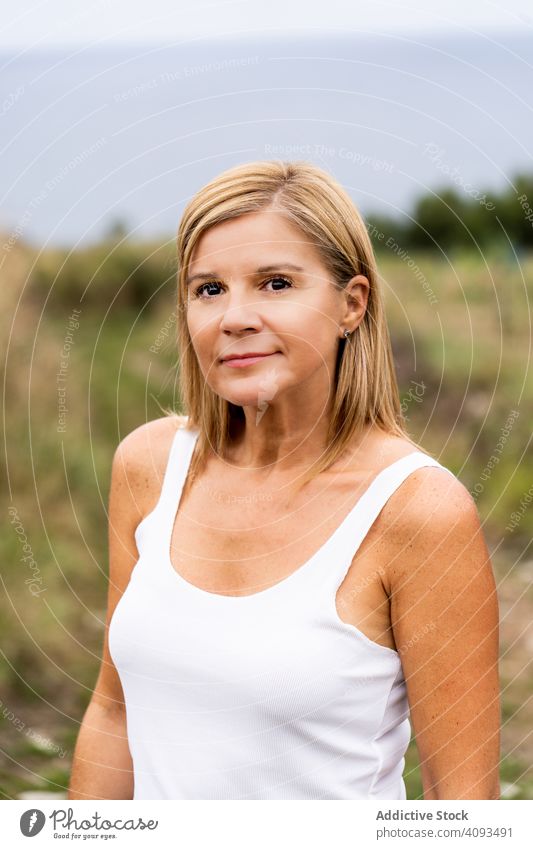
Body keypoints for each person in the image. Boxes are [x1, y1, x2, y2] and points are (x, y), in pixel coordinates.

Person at [68, 160, 500, 801]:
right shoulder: (150, 466)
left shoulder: (417, 512)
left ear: (352, 304)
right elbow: (115, 711)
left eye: (274, 283)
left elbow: (460, 805)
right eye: (208, 289)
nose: (234, 317)